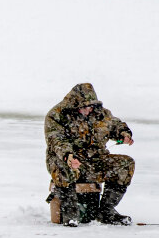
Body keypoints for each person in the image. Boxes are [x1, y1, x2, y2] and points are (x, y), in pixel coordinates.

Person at [44, 82, 134, 226]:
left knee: (126, 163)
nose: (88, 110)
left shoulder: (101, 114)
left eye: (90, 106)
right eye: (84, 107)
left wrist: (124, 133)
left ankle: (106, 211)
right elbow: (56, 140)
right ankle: (71, 214)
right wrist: (69, 156)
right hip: (66, 160)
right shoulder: (57, 115)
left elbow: (115, 125)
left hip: (94, 161)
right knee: (63, 166)